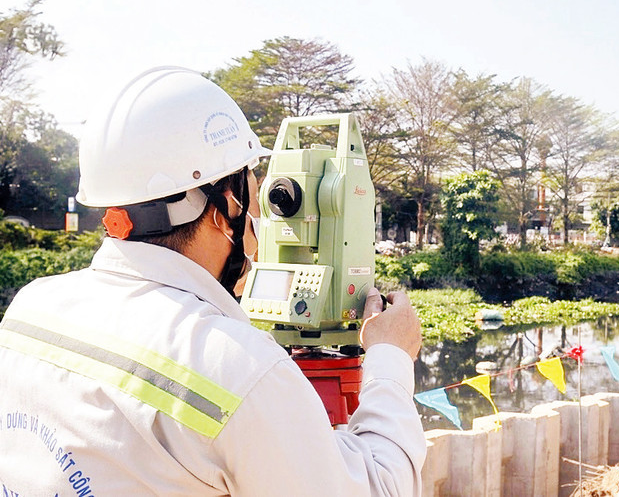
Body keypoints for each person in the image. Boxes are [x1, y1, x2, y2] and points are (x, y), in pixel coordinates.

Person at [0, 67, 425, 496]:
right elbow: (377, 488)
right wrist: (390, 361)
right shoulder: (240, 369)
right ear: (225, 208)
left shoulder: (28, 309)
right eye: (254, 198)